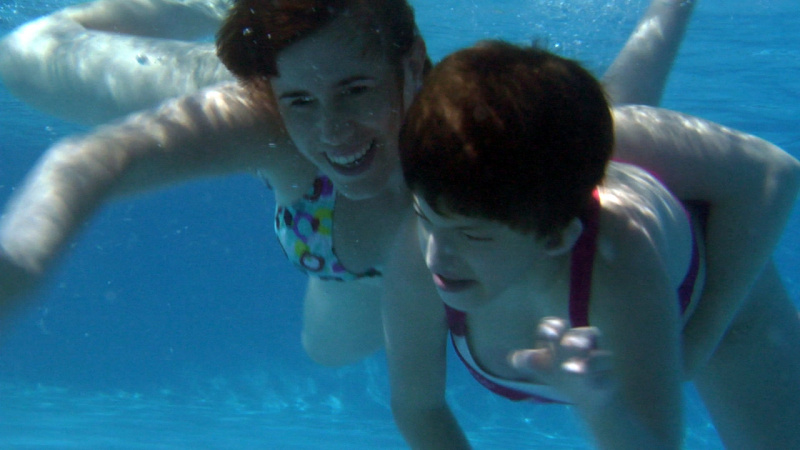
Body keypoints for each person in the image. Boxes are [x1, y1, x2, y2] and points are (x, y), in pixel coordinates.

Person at [0, 0, 699, 370]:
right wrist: (25, 255)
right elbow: (91, 161)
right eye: (302, 98)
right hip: (336, 264)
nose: (334, 131)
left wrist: (670, 9)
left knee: (331, 352)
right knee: (23, 53)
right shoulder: (268, 116)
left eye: (360, 90)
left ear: (412, 66)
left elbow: (608, 120)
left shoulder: (466, 120)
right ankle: (213, 12)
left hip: (374, 274)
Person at [389, 41, 800, 448]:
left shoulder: (619, 269)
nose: (435, 255)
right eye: (424, 217)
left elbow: (657, 444)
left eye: (473, 236)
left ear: (555, 238)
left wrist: (605, 404)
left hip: (722, 297)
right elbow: (418, 408)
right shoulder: (422, 249)